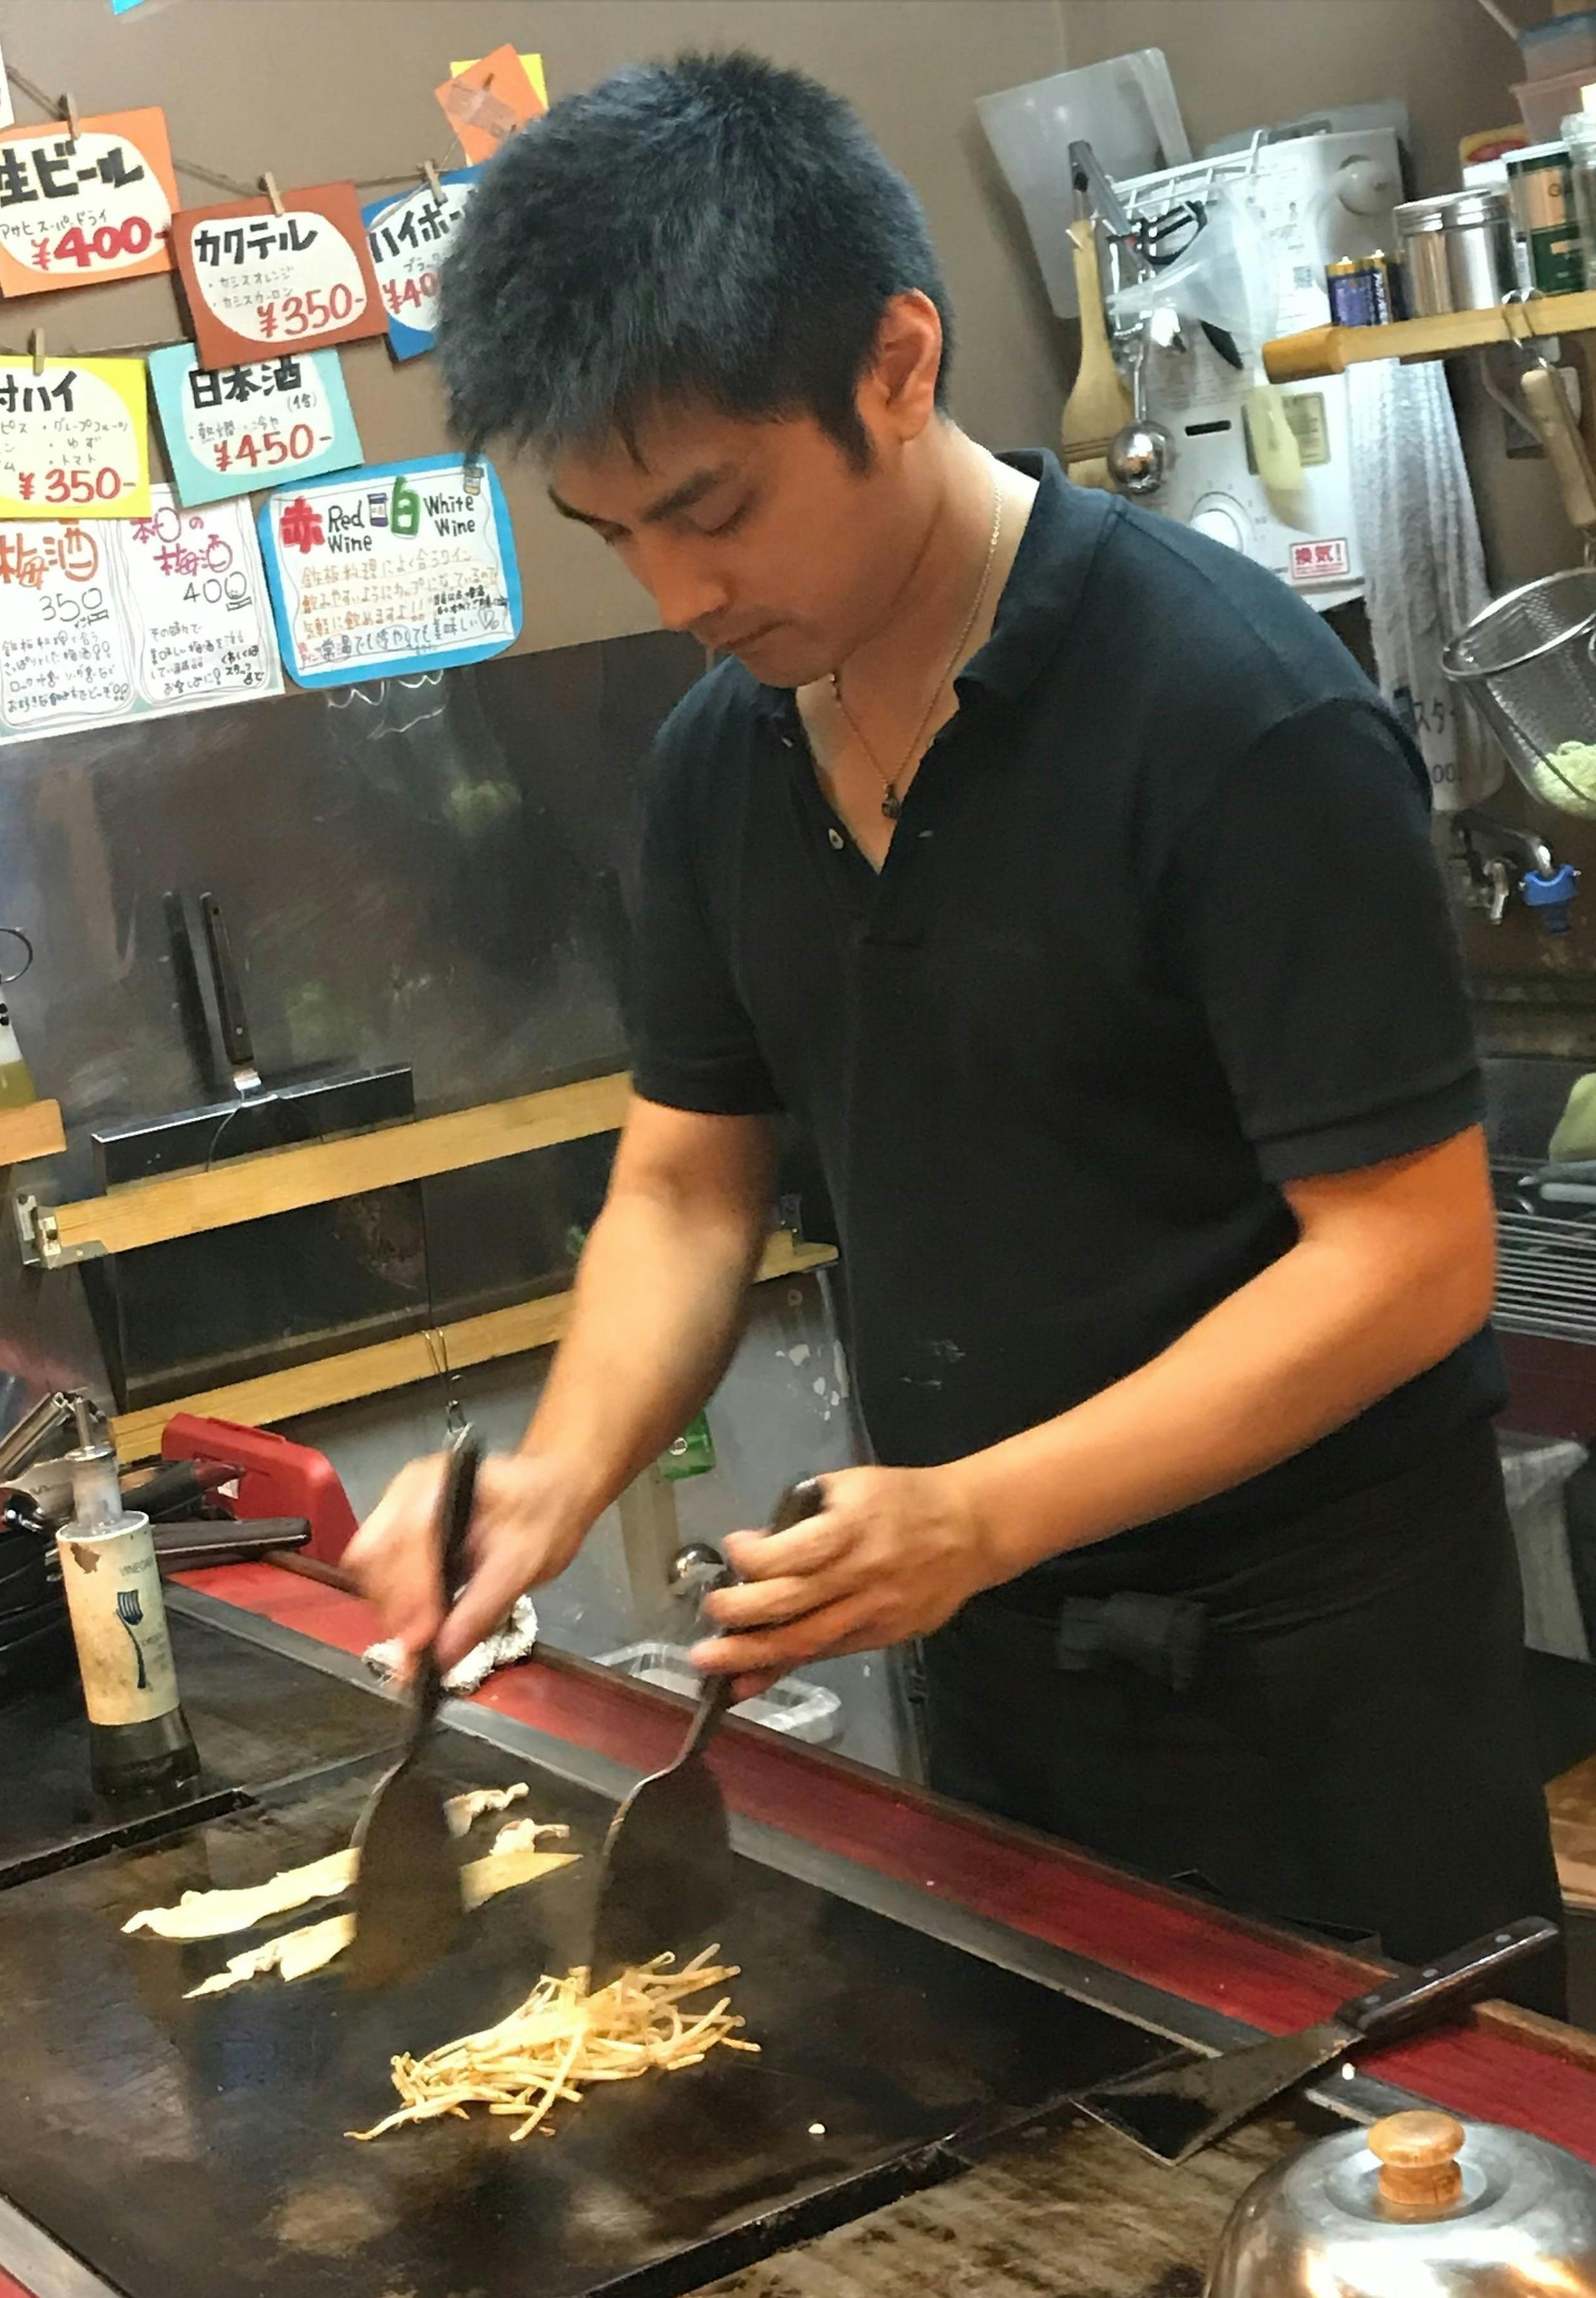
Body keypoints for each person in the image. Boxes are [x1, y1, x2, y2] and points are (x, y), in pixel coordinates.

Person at [346, 51, 1565, 2011]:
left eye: (713, 508)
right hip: (991, 1659)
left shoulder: (1233, 717)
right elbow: (686, 1184)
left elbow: (1411, 1261)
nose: (678, 591)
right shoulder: (721, 764)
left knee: (1387, 2193)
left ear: (900, 363)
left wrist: (983, 1511)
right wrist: (551, 1483)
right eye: (613, 534)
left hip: (1320, 1680)